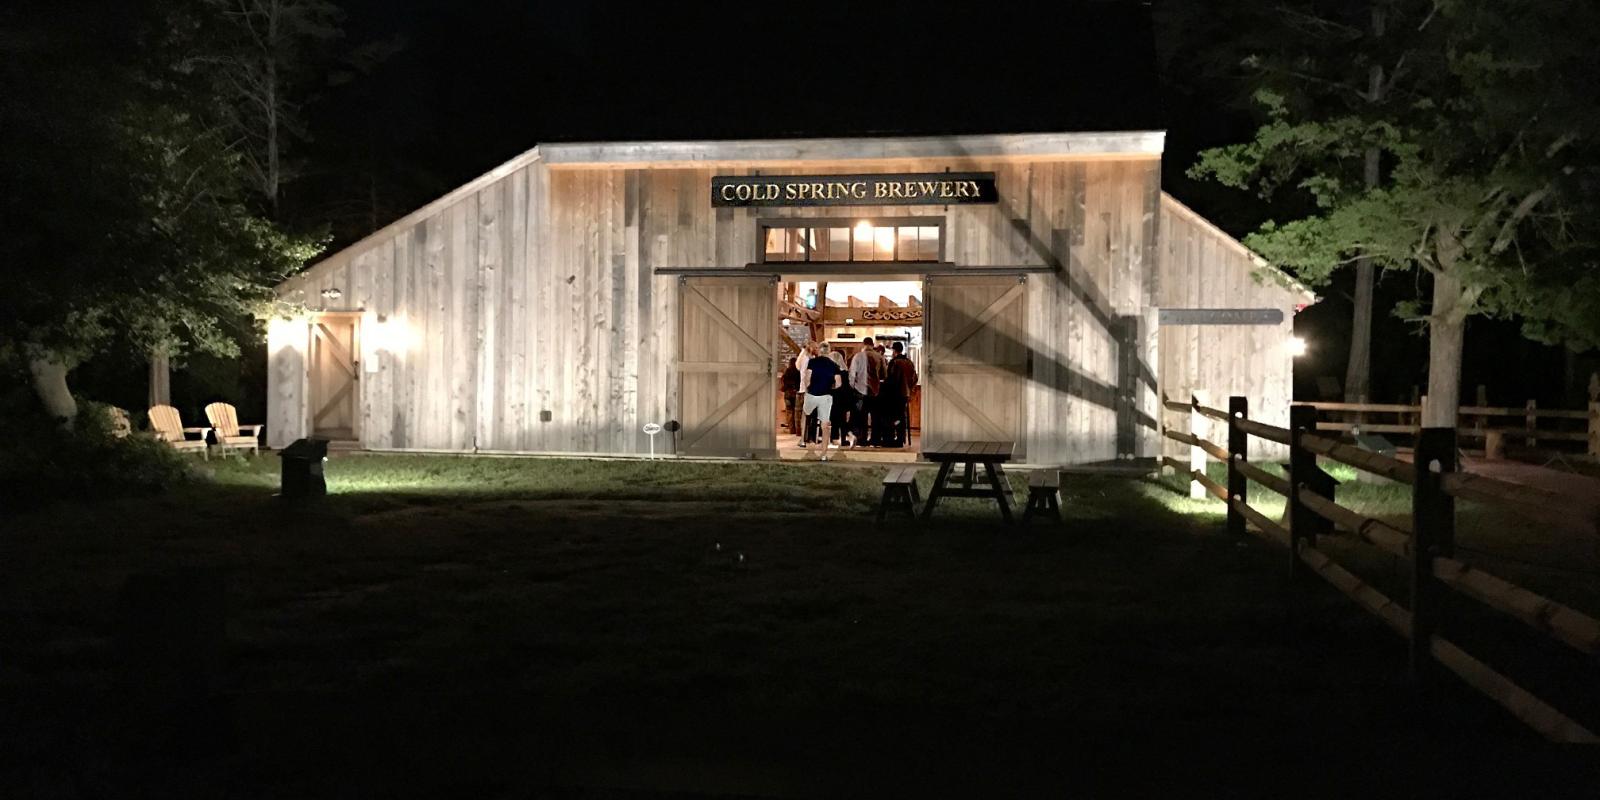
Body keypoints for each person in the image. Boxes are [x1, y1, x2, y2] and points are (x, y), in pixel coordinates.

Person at [800, 345, 842, 459]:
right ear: (829, 352)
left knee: (805, 414)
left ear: (819, 351)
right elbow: (838, 383)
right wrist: (830, 387)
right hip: (826, 396)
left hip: (812, 394)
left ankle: (803, 440)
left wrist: (808, 389)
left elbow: (807, 379)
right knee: (825, 425)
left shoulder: (812, 362)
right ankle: (824, 454)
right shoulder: (834, 365)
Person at [850, 336, 887, 446]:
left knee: (861, 417)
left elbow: (852, 374)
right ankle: (875, 439)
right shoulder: (879, 357)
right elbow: (884, 375)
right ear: (872, 345)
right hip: (875, 391)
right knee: (876, 417)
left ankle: (862, 439)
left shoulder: (857, 356)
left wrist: (853, 387)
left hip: (860, 391)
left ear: (863, 344)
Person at [883, 341, 919, 447]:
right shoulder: (909, 362)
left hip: (895, 394)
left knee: (893, 417)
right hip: (905, 394)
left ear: (894, 351)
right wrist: (910, 388)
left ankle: (893, 439)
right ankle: (901, 438)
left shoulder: (894, 362)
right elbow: (915, 378)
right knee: (901, 416)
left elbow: (890, 379)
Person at [780, 357, 801, 435]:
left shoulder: (787, 372)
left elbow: (783, 383)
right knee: (797, 413)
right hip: (796, 394)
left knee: (789, 412)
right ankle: (798, 431)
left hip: (788, 394)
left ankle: (792, 430)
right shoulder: (798, 372)